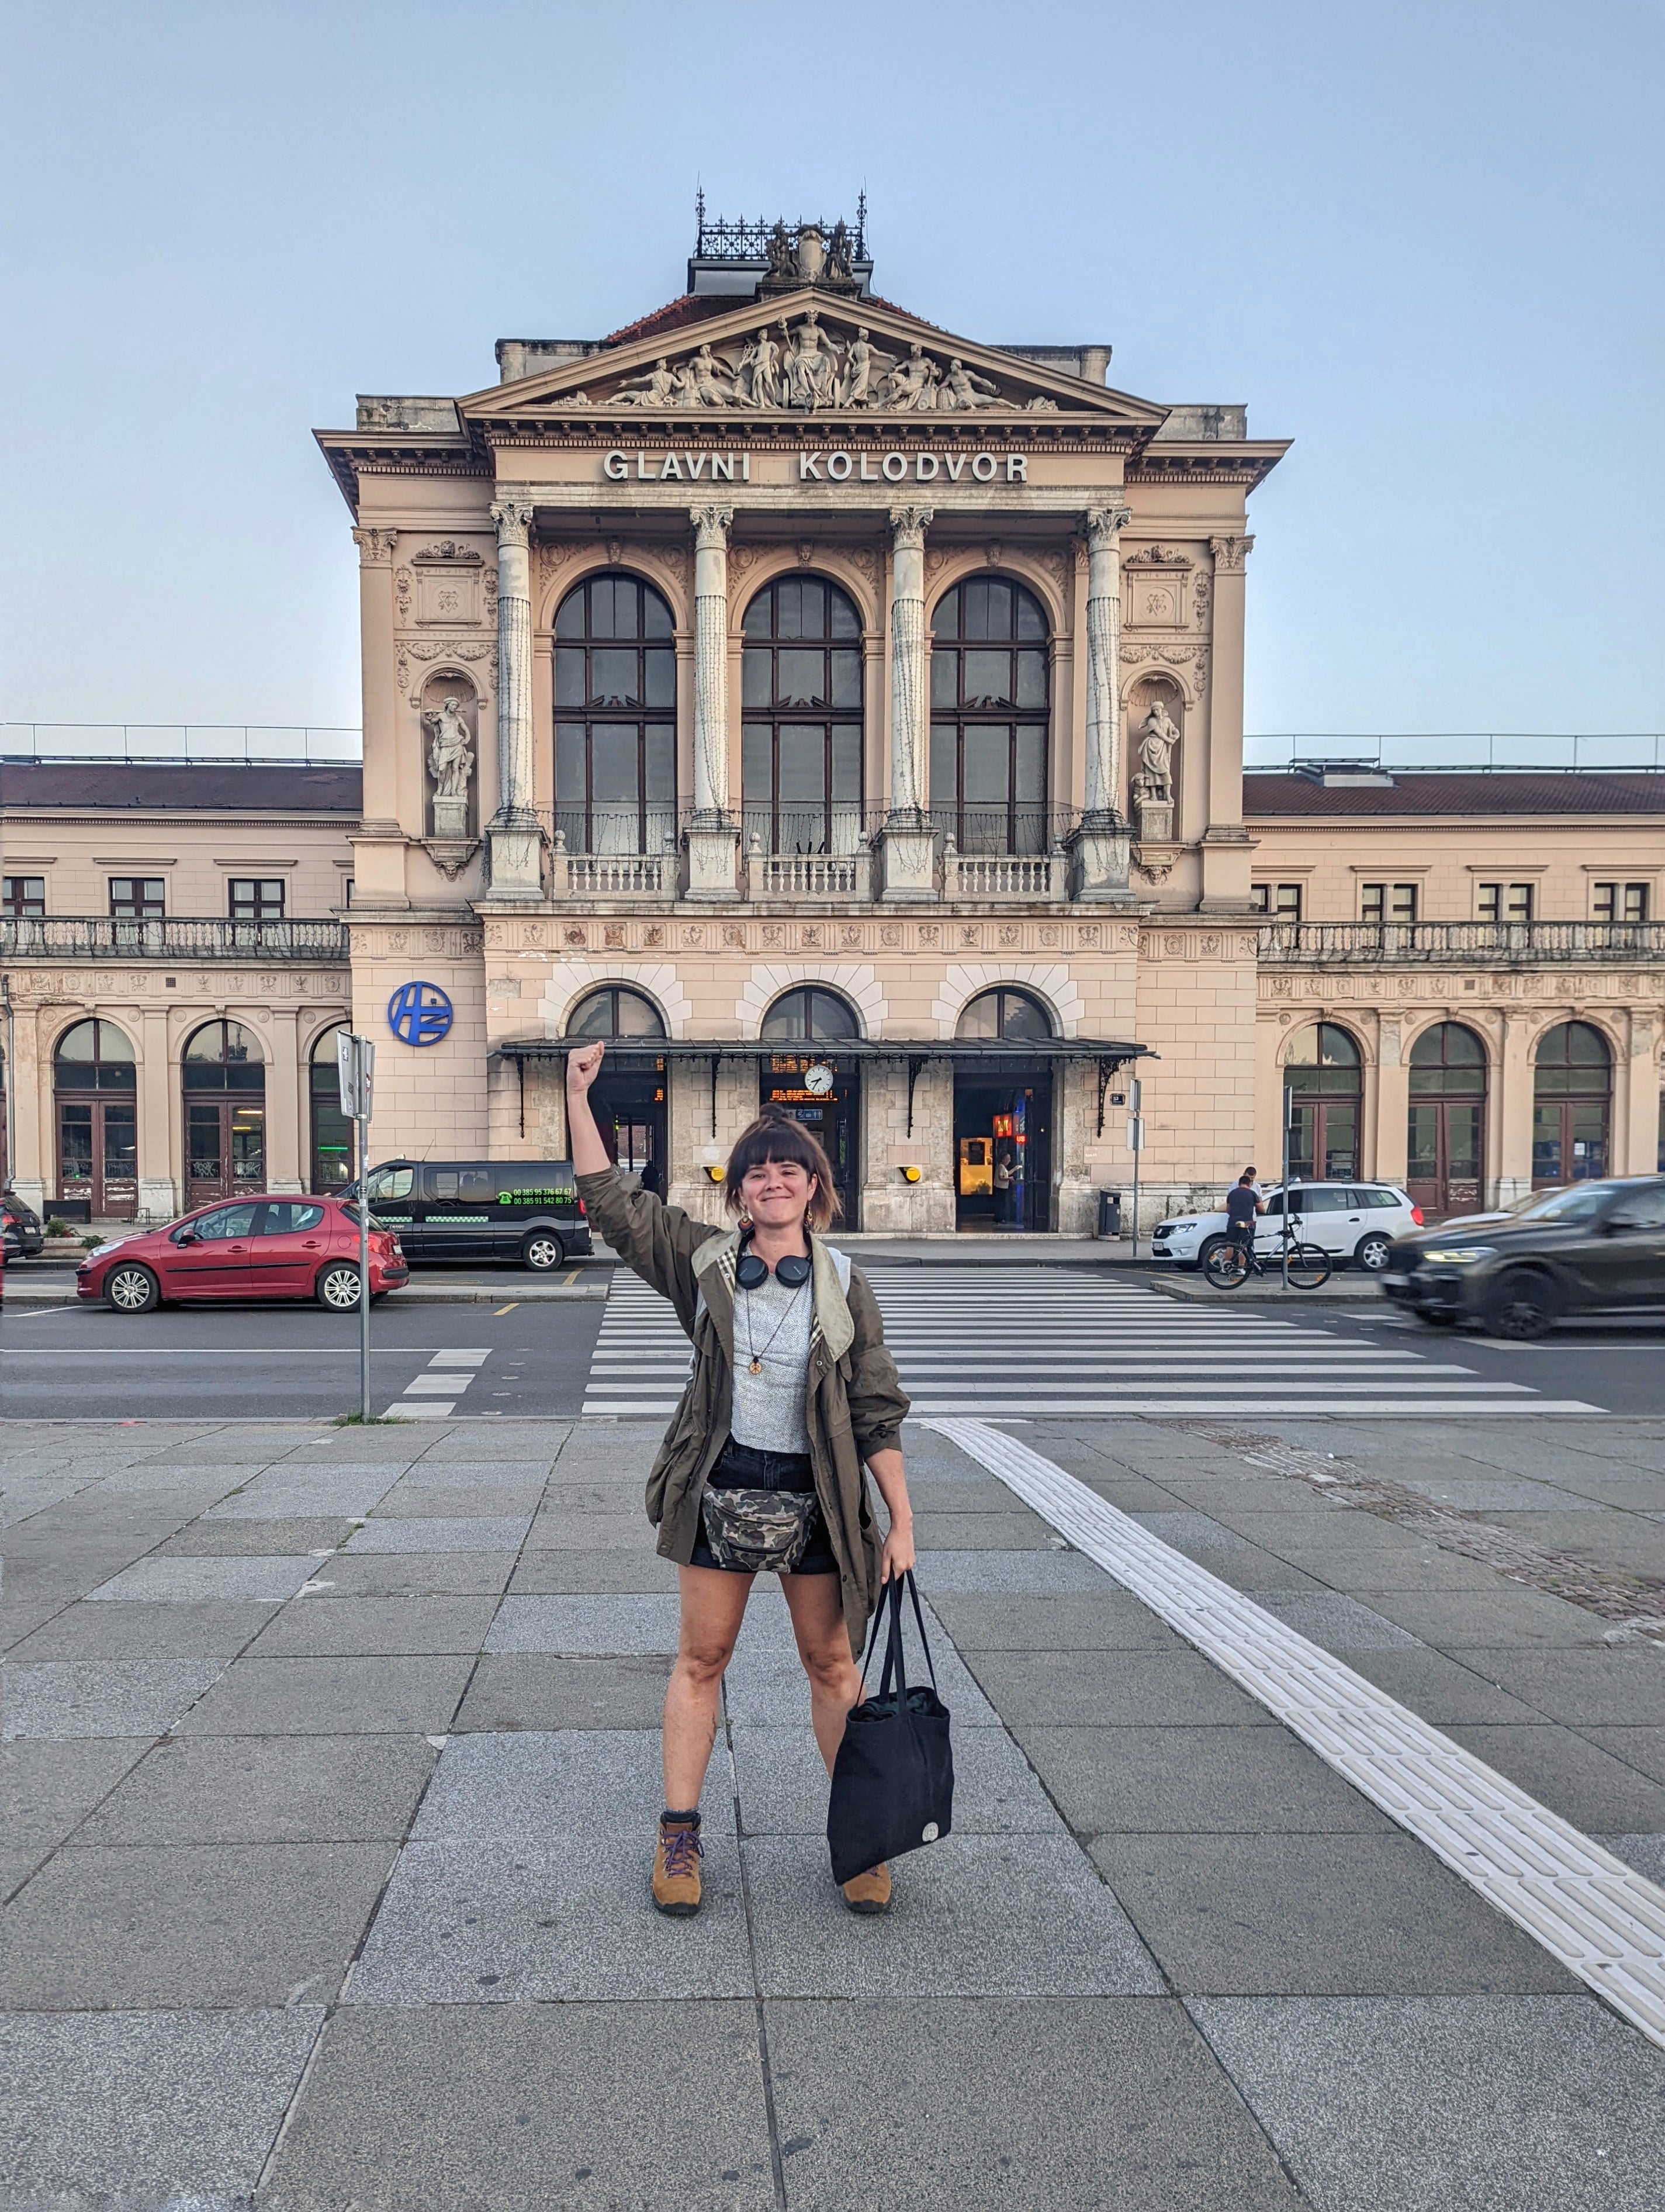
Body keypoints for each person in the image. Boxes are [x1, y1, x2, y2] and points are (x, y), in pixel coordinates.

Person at [566, 1041, 916, 1920]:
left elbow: (876, 1410)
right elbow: (613, 1207)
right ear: (739, 1194)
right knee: (701, 1658)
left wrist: (900, 1521)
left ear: (813, 1187)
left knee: (831, 1664)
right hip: (718, 1485)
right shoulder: (703, 1265)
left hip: (823, 1499)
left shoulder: (844, 1283)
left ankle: (861, 1834)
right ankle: (678, 1835)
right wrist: (579, 1097)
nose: (773, 1183)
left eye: (789, 1170)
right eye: (758, 1173)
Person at [1224, 1168, 1264, 1257]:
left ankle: (1226, 1265)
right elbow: (1261, 1208)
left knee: (1231, 1245)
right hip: (1247, 1221)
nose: (1251, 1180)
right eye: (1249, 1178)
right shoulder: (1237, 1186)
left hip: (1235, 1220)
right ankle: (1242, 1268)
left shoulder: (1257, 1187)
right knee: (1244, 1246)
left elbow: (1228, 1209)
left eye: (1253, 1178)